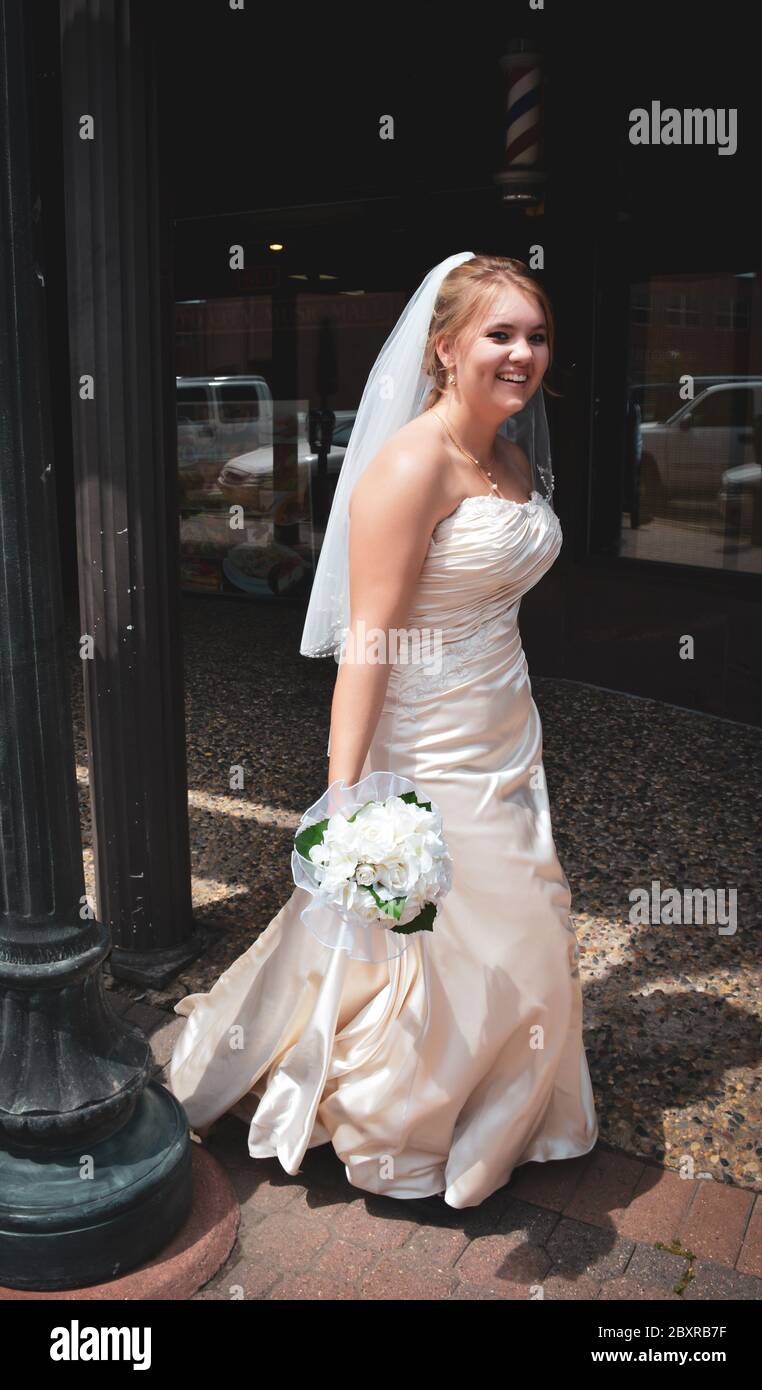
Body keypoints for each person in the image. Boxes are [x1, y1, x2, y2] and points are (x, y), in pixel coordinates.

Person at [167, 252, 599, 1209]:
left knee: (523, 909)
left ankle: (504, 1101)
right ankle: (406, 1116)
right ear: (444, 348)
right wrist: (348, 797)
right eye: (500, 333)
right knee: (464, 924)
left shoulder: (514, 456)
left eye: (535, 334)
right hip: (433, 740)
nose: (523, 353)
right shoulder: (411, 466)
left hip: (505, 729)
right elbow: (367, 645)